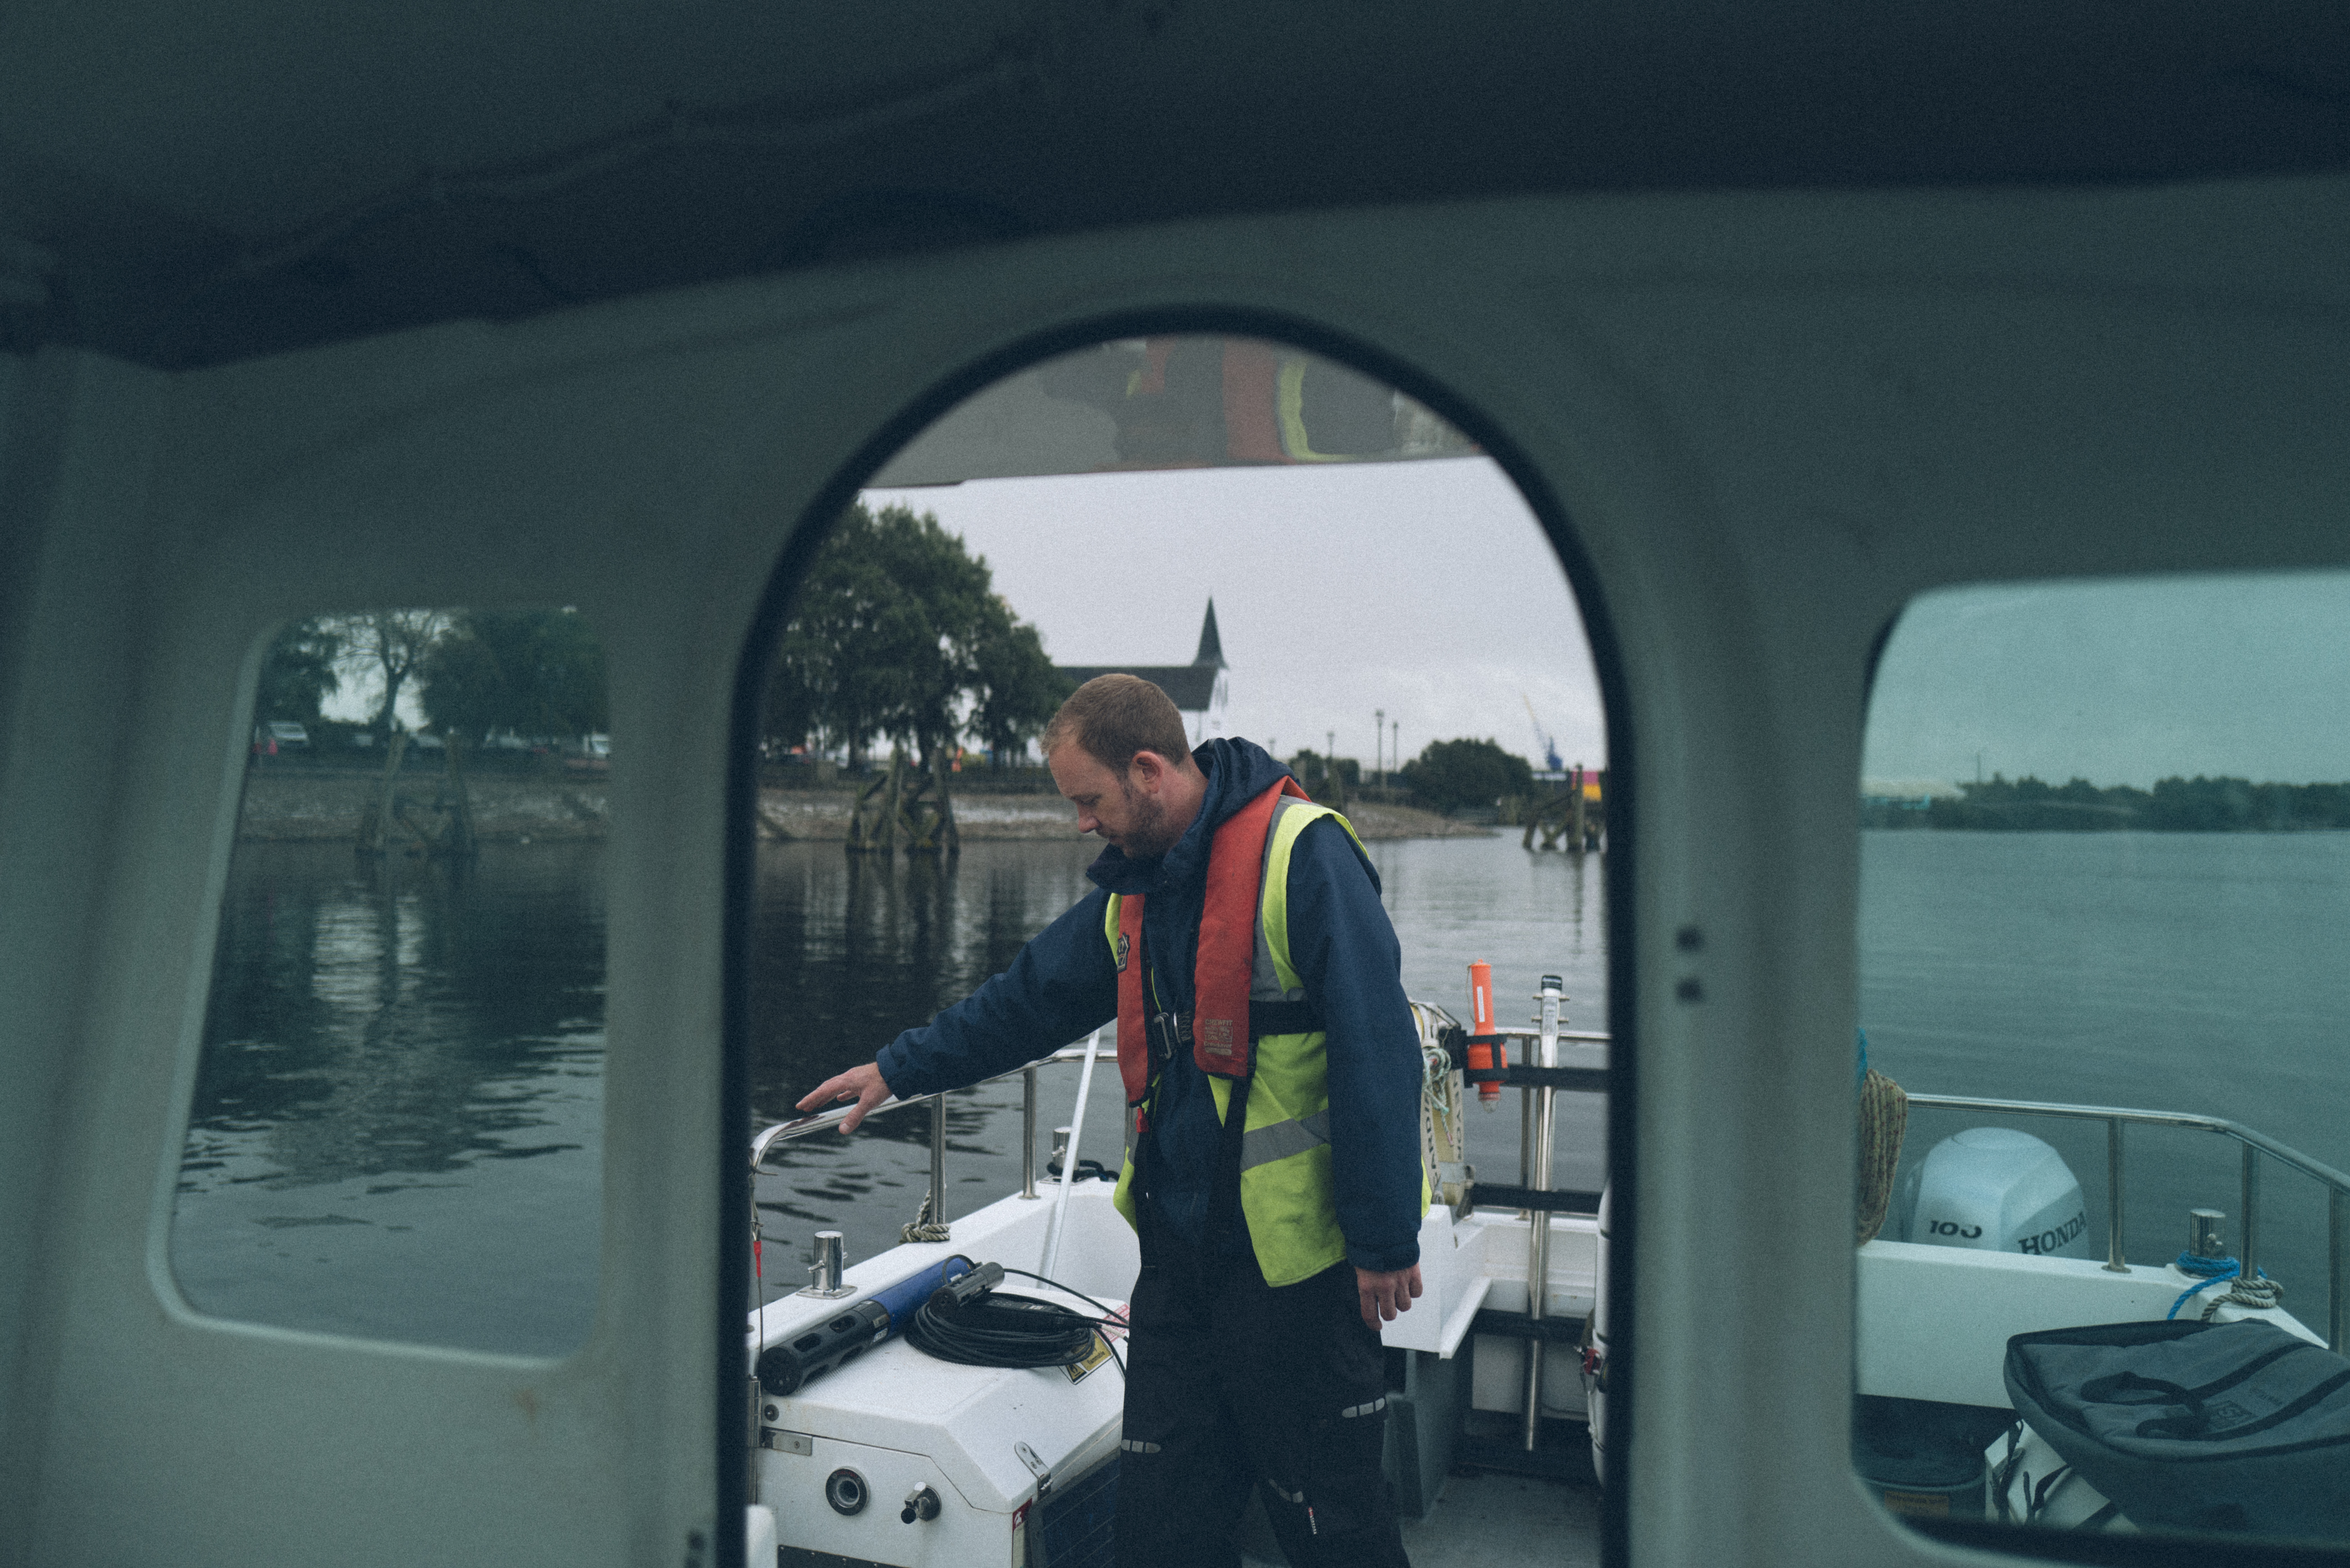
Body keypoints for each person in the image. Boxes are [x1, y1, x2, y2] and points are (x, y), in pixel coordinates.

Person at [799, 674, 1425, 1567]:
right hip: (1178, 1277)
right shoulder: (1137, 891)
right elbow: (1028, 1001)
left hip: (1302, 1285)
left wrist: (1383, 1238)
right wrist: (900, 1069)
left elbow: (1378, 1051)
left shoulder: (1305, 858)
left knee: (1337, 1532)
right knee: (1163, 1536)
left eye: (1089, 801)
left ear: (1146, 771)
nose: (1082, 823)